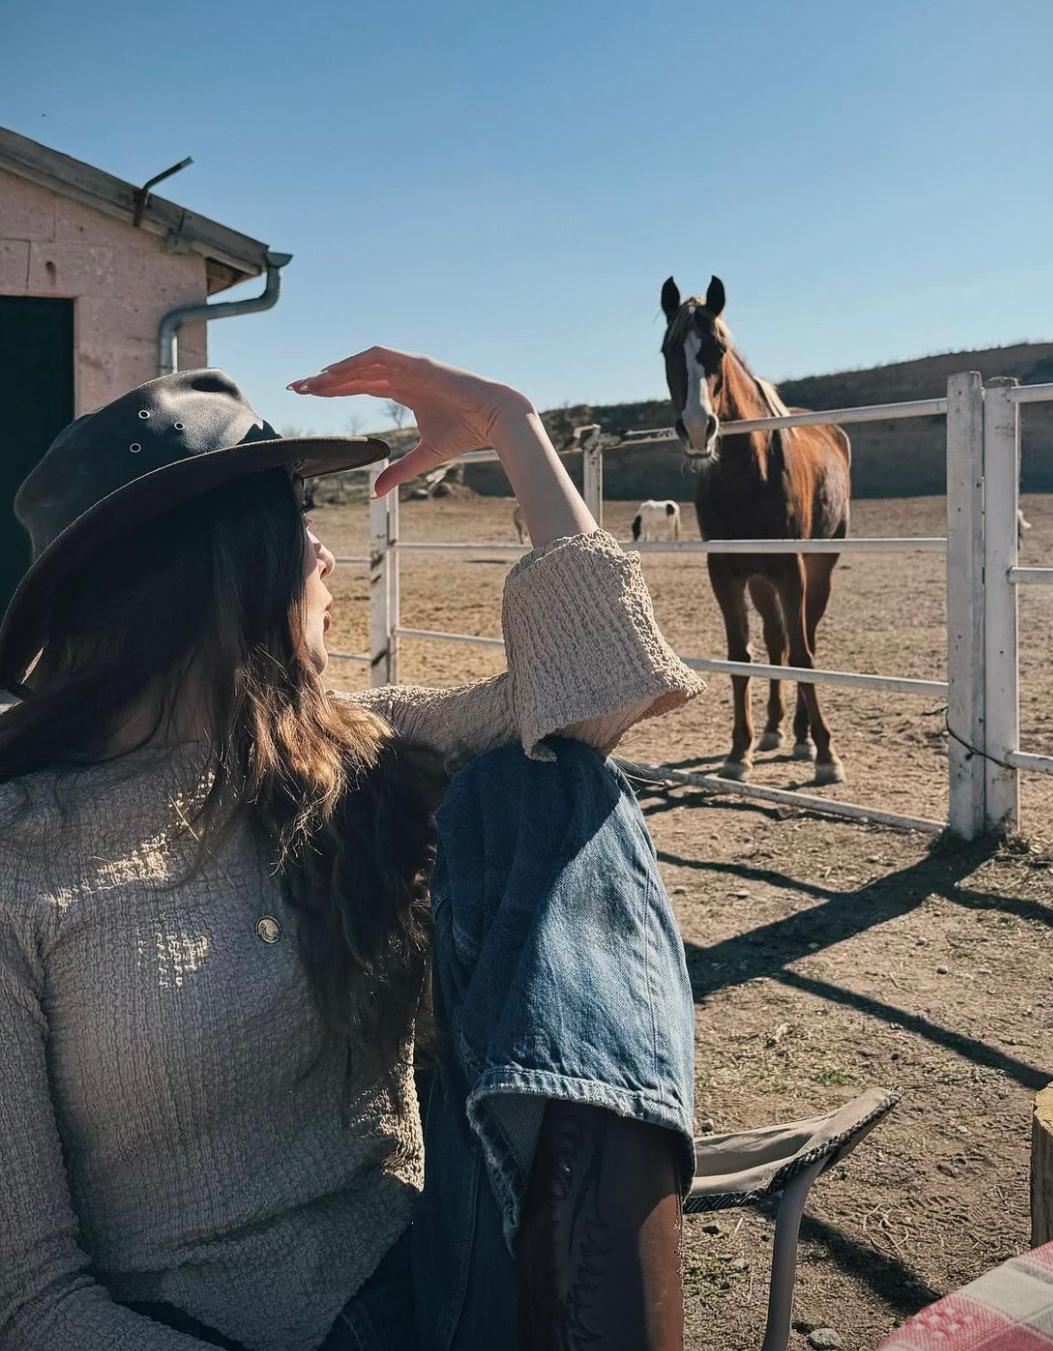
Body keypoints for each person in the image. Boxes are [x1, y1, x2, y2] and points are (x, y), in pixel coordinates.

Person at [0, 350, 704, 1351]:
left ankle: (609, 1314)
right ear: (215, 565)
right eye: (298, 522)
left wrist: (512, 425)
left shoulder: (353, 749)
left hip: (434, 1276)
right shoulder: (23, 861)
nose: (328, 554)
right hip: (199, 1330)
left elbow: (602, 687)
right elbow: (31, 1300)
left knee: (554, 784)